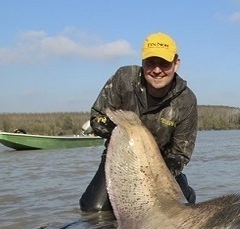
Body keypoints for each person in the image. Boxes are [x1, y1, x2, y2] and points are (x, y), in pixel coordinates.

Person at [80, 32, 197, 212]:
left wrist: (154, 177)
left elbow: (180, 154)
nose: (157, 70)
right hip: (119, 158)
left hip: (161, 165)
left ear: (176, 64)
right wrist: (126, 129)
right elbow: (97, 119)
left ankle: (185, 189)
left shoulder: (186, 100)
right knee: (93, 210)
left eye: (164, 64)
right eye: (150, 63)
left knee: (178, 208)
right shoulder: (124, 78)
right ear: (142, 62)